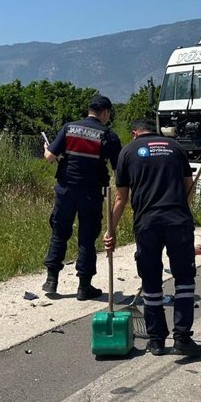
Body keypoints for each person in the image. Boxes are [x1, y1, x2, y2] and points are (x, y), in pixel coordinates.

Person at [103, 119, 201, 358]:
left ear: (134, 133)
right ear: (154, 130)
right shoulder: (175, 147)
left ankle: (157, 340)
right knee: (184, 279)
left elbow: (121, 198)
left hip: (147, 223)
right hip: (177, 221)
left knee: (151, 280)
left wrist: (111, 230)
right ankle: (182, 338)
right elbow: (188, 187)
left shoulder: (127, 152)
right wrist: (179, 211)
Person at [42, 95, 122, 300]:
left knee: (59, 232)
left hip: (65, 189)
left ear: (89, 110)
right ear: (105, 112)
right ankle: (84, 286)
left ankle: (51, 281)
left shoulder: (69, 128)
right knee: (87, 237)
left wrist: (46, 149)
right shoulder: (108, 134)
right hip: (91, 193)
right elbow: (118, 168)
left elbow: (50, 157)